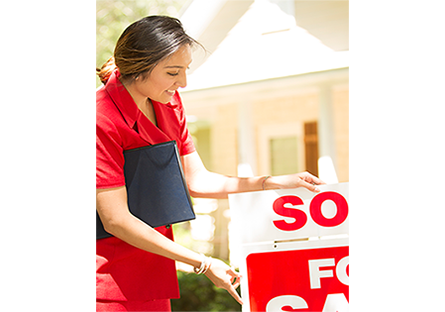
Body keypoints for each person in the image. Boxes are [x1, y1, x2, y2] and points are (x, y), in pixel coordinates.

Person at [96, 15, 324, 312]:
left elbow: (196, 180)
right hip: (109, 280)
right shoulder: (103, 118)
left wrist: (270, 182)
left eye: (185, 70)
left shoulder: (169, 102)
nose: (184, 82)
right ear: (139, 68)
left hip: (154, 274)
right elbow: (116, 219)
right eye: (173, 72)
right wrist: (203, 263)